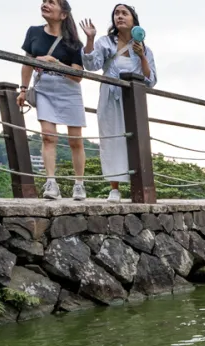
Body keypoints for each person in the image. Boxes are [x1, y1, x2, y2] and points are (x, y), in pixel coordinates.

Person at [80, 5, 157, 203]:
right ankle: (114, 188)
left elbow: (151, 81)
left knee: (135, 141)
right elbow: (91, 64)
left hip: (133, 99)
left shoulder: (145, 49)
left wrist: (141, 56)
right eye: (116, 13)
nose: (120, 16)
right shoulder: (105, 42)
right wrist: (89, 39)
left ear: (134, 20)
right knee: (112, 138)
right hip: (109, 97)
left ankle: (137, 185)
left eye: (124, 13)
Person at [19, 0, 88, 201]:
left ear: (63, 14)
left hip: (68, 89)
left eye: (51, 2)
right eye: (44, 2)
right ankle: (51, 182)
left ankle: (79, 184)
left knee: (75, 140)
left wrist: (55, 62)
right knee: (48, 136)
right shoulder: (33, 32)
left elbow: (78, 75)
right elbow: (26, 63)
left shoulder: (74, 42)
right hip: (44, 87)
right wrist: (23, 90)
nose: (45, 4)